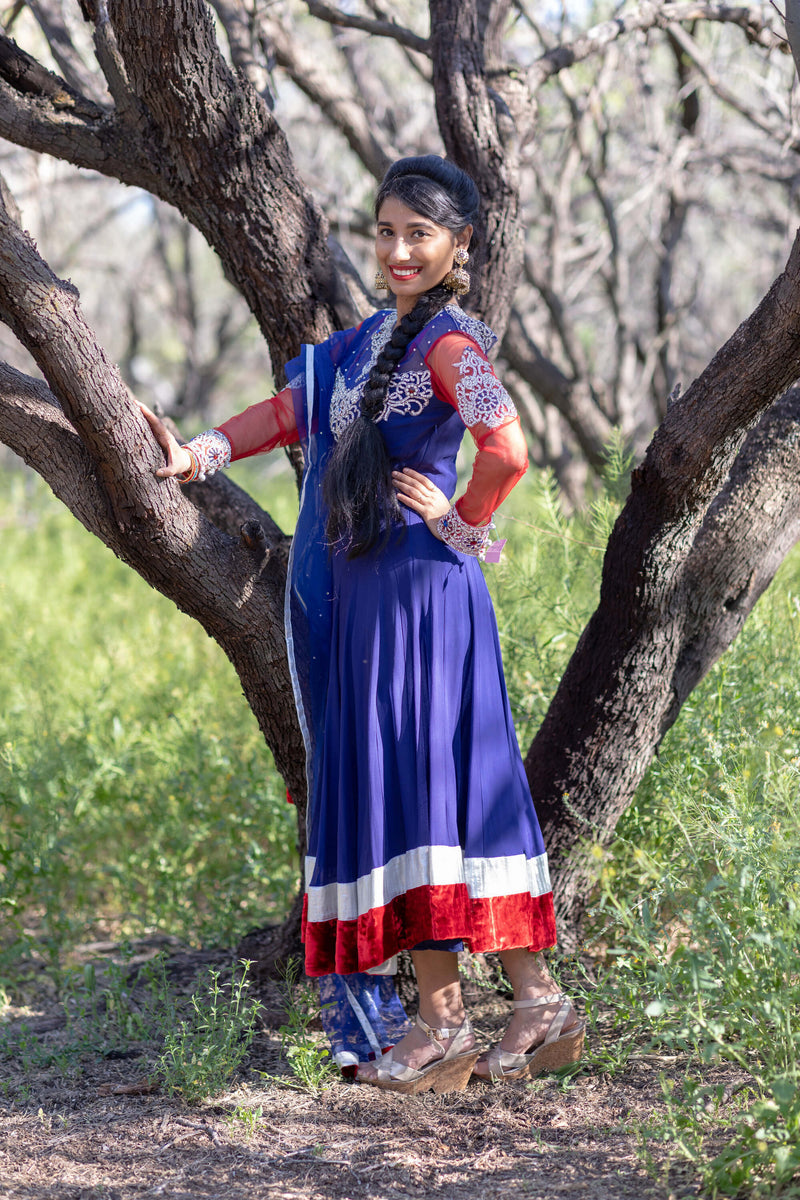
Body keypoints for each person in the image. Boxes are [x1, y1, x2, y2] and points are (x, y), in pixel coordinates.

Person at [141, 155, 584, 1093]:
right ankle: (521, 1007)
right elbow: (290, 412)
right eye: (384, 231)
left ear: (459, 245)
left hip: (422, 596)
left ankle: (448, 1023)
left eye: (418, 234)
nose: (396, 250)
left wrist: (460, 522)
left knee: (424, 788)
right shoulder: (364, 343)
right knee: (420, 790)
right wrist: (201, 452)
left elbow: (508, 449)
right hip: (373, 600)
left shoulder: (453, 347)